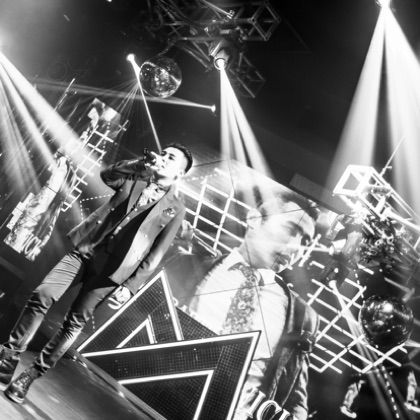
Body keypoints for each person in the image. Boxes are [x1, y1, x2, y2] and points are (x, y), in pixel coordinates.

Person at [0, 143, 193, 404]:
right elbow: (108, 175)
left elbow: (156, 252)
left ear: (179, 173)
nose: (164, 158)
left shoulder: (176, 208)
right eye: (164, 153)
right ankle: (9, 357)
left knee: (72, 324)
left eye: (171, 158)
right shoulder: (137, 175)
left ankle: (30, 375)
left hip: (113, 271)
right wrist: (139, 164)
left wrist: (131, 286)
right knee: (42, 294)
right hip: (86, 248)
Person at [179, 192, 319, 420]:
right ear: (254, 219)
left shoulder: (303, 316)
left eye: (305, 242)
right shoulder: (185, 266)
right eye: (290, 229)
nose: (296, 247)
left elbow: (295, 398)